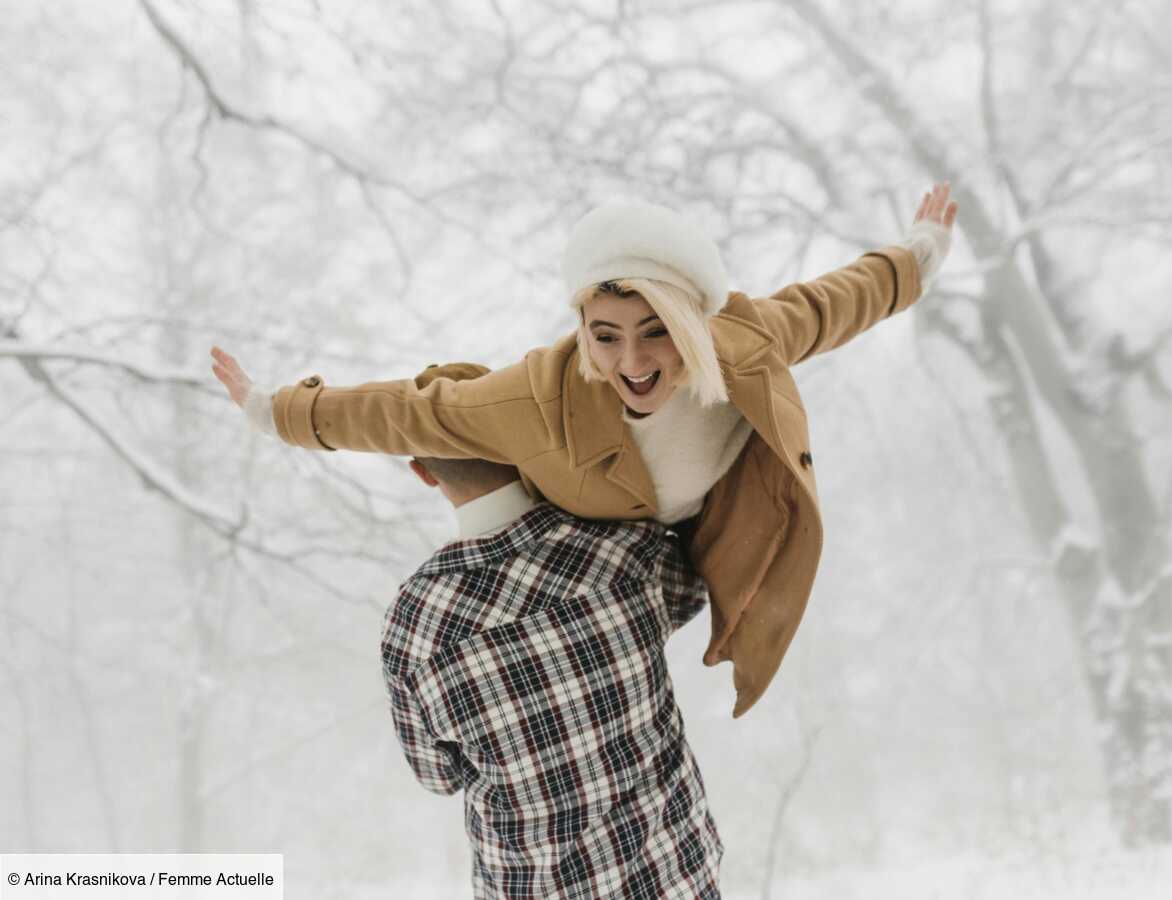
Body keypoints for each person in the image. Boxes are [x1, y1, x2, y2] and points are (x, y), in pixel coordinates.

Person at [211, 182, 958, 718]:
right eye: (606, 336)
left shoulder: (745, 346)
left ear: (692, 325)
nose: (632, 361)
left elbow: (834, 303)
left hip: (684, 552)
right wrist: (276, 410)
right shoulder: (533, 401)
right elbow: (407, 412)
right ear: (583, 331)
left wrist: (919, 253)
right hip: (570, 559)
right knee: (456, 429)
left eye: (656, 332)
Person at [380, 362, 724, 898]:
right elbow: (688, 595)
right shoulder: (619, 547)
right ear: (518, 438)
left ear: (423, 472)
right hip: (674, 875)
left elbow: (438, 776)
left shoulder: (415, 623)